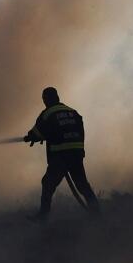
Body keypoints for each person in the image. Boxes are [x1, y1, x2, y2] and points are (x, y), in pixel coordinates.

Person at [23, 87, 100, 220]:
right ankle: (98, 214)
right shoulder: (73, 112)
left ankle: (43, 216)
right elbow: (76, 131)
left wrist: (30, 137)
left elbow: (37, 132)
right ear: (57, 97)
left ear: (46, 99)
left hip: (60, 156)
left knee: (47, 183)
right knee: (82, 185)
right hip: (76, 154)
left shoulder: (48, 113)